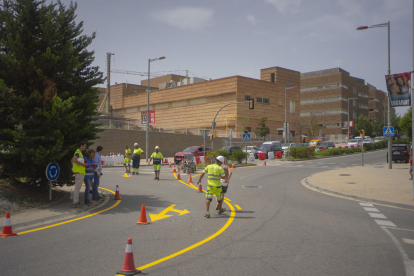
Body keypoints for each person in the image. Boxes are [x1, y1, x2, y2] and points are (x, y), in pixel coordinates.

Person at [71, 141, 88, 207]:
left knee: (78, 187)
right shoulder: (78, 152)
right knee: (77, 187)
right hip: (79, 172)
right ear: (81, 146)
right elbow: (75, 160)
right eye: (84, 146)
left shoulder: (78, 152)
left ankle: (76, 201)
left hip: (79, 172)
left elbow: (72, 160)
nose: (85, 147)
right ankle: (75, 202)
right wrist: (83, 164)